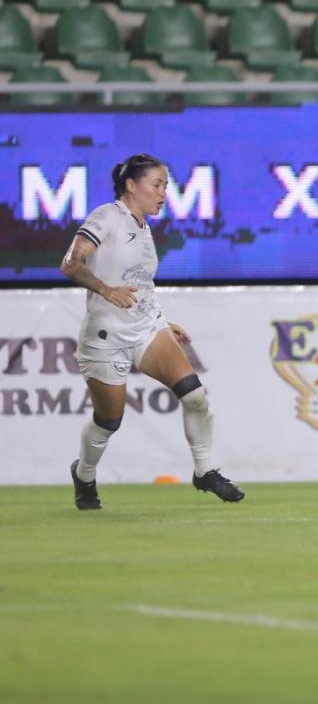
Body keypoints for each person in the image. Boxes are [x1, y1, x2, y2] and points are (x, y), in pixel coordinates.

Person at [60, 153, 245, 510]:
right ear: (131, 185)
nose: (163, 194)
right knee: (108, 421)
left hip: (145, 328)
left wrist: (160, 319)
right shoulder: (107, 217)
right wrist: (105, 289)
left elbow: (139, 285)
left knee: (194, 395)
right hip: (106, 337)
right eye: (156, 185)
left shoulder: (143, 227)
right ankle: (84, 474)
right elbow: (71, 263)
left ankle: (205, 471)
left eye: (165, 186)